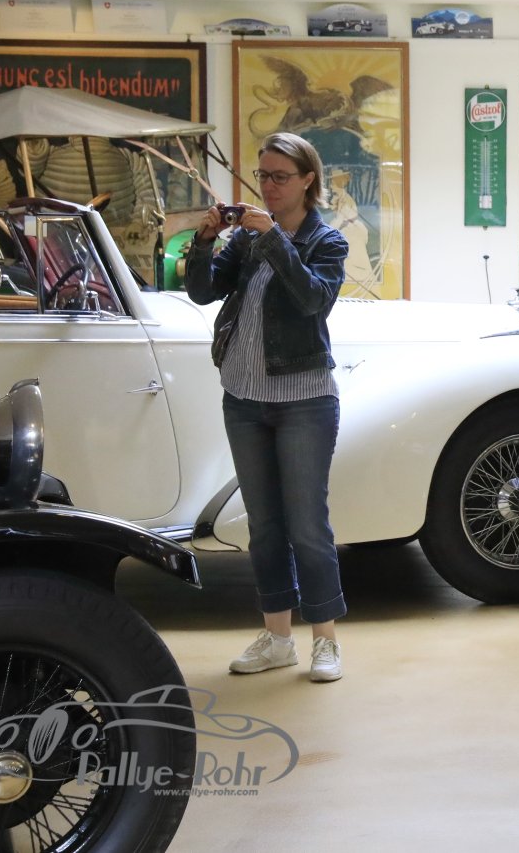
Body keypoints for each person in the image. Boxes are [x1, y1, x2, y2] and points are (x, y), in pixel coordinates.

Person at [185, 132, 350, 682]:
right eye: (262, 176)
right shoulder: (248, 239)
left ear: (308, 180)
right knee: (264, 525)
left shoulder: (326, 240)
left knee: (308, 525)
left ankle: (325, 641)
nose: (269, 186)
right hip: (244, 399)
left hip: (305, 401)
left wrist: (275, 239)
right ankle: (277, 639)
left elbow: (312, 300)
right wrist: (205, 241)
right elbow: (204, 292)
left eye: (281, 176)